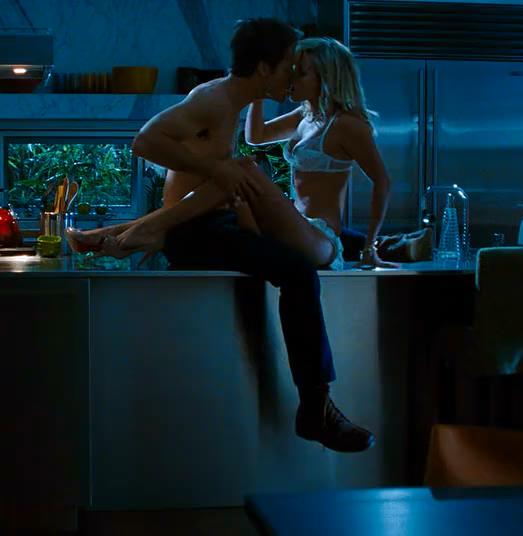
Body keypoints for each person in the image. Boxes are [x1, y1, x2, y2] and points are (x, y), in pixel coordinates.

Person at [69, 20, 377, 452]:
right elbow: (145, 141)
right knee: (298, 271)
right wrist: (217, 170)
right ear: (266, 68)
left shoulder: (232, 104)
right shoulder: (213, 98)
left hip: (209, 223)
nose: (293, 74)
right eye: (289, 65)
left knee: (282, 214)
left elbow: (224, 172)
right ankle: (316, 409)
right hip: (196, 234)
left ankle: (137, 230)